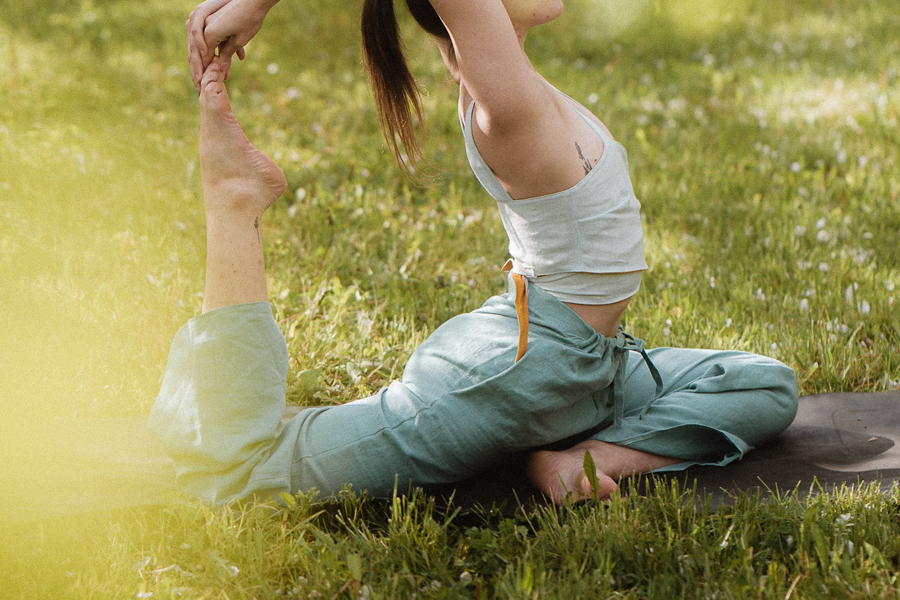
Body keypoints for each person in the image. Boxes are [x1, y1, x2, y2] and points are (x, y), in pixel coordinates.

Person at [152, 0, 799, 506]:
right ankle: (233, 198)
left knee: (763, 384)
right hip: (519, 374)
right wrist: (257, 4)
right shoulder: (506, 108)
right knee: (238, 469)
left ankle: (578, 459)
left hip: (589, 367)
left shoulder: (517, 90)